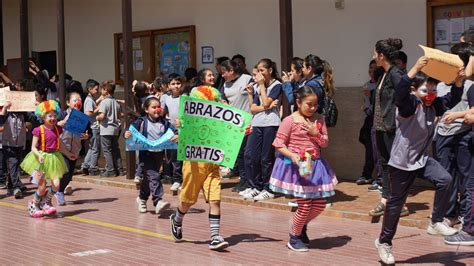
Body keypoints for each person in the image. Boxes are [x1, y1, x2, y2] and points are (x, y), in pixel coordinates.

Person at [374, 56, 464, 264]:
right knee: (395, 206)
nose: (430, 95)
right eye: (425, 90)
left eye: (433, 91)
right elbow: (400, 91)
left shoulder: (433, 105)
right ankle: (384, 243)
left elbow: (453, 98)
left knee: (446, 180)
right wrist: (415, 68)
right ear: (414, 90)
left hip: (422, 159)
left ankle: (435, 222)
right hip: (401, 163)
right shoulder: (409, 105)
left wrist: (458, 80)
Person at [269, 85, 337, 251]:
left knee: (320, 203)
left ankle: (299, 227)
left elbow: (325, 143)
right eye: (309, 104)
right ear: (298, 102)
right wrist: (292, 155)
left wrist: (316, 133)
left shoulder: (319, 120)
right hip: (298, 167)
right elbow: (278, 144)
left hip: (315, 165)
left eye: (315, 105)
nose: (313, 108)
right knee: (305, 205)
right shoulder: (289, 120)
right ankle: (294, 237)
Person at [170, 85, 229, 250]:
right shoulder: (188, 119)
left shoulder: (218, 120)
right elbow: (184, 133)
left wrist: (238, 132)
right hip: (194, 164)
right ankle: (177, 219)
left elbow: (227, 135)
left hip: (212, 164)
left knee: (215, 200)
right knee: (188, 199)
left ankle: (215, 237)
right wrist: (180, 129)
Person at [368, 38, 409, 217]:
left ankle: (401, 204)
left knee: (396, 166)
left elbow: (404, 93)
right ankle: (386, 200)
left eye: (375, 53)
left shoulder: (395, 73)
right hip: (380, 126)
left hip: (391, 127)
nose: (373, 56)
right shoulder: (383, 73)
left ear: (381, 55)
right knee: (385, 165)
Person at [435, 43, 474, 228]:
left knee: (466, 178)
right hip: (443, 135)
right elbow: (441, 106)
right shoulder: (442, 84)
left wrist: (458, 115)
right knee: (446, 176)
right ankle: (449, 214)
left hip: (463, 134)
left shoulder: (471, 86)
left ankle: (467, 216)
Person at [124, 97, 176, 214]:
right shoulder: (141, 122)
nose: (157, 109)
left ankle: (142, 199)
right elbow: (130, 130)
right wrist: (126, 134)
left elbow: (174, 131)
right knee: (154, 176)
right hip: (146, 154)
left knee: (149, 178)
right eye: (153, 107)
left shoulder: (165, 122)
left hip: (159, 154)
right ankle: (158, 201)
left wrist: (176, 135)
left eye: (158, 107)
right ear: (146, 110)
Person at [241, 59, 282, 201]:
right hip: (257, 123)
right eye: (257, 71)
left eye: (262, 70)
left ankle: (269, 188)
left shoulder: (277, 85)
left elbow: (265, 101)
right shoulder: (258, 87)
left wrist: (262, 87)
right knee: (252, 155)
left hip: (270, 124)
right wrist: (254, 96)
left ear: (270, 71)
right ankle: (256, 186)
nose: (259, 74)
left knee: (266, 158)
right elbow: (253, 108)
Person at [21, 100, 68, 217]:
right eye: (49, 116)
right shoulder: (38, 130)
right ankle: (34, 204)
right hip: (41, 160)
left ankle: (46, 201)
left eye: (54, 115)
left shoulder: (57, 129)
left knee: (56, 185)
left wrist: (68, 153)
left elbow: (59, 144)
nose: (53, 118)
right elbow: (33, 147)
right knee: (41, 187)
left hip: (55, 158)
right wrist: (39, 155)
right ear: (43, 117)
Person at [221, 59, 252, 192]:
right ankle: (242, 180)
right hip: (234, 124)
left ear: (231, 71)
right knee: (238, 154)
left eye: (224, 72)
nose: (222, 75)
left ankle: (249, 182)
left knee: (246, 154)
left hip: (248, 122)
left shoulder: (247, 79)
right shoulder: (226, 84)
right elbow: (223, 98)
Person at [54, 92, 90, 205]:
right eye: (75, 100)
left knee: (69, 174)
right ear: (68, 102)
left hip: (75, 149)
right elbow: (52, 126)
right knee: (65, 171)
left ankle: (58, 190)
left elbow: (88, 132)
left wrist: (86, 136)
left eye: (79, 100)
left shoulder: (83, 117)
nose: (78, 102)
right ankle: (58, 191)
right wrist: (61, 123)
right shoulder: (61, 114)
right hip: (62, 148)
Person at [0, 95, 33, 198]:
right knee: (13, 163)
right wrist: (5, 107)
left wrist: (35, 107)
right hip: (8, 144)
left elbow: (34, 118)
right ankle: (16, 187)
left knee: (15, 164)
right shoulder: (7, 114)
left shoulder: (23, 114)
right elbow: (0, 120)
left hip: (20, 144)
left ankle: (10, 184)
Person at [161, 73, 183, 194]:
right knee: (174, 156)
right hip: (173, 131)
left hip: (184, 130)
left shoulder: (185, 97)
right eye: (173, 84)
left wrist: (183, 122)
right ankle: (177, 180)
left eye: (178, 83)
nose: (176, 86)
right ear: (168, 86)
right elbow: (163, 113)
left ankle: (184, 180)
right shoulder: (166, 98)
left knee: (184, 156)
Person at [356, 60, 378, 185]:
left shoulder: (381, 85)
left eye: (375, 69)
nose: (372, 72)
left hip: (380, 121)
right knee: (369, 148)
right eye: (370, 69)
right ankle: (367, 174)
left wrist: (371, 96)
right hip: (370, 120)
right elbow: (368, 106)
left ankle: (380, 178)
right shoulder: (367, 85)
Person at [96, 81, 124, 177]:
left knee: (107, 150)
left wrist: (97, 117)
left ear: (106, 90)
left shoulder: (104, 102)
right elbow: (120, 116)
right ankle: (119, 169)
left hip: (106, 129)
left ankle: (110, 170)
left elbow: (102, 116)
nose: (101, 91)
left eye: (102, 89)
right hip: (115, 129)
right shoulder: (116, 102)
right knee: (115, 149)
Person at [81, 79, 101, 176]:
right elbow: (88, 113)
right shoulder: (89, 100)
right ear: (90, 89)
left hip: (92, 126)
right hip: (94, 126)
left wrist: (100, 99)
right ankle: (93, 168)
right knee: (95, 148)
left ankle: (85, 165)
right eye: (96, 89)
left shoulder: (90, 99)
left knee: (92, 147)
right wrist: (98, 109)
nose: (97, 91)